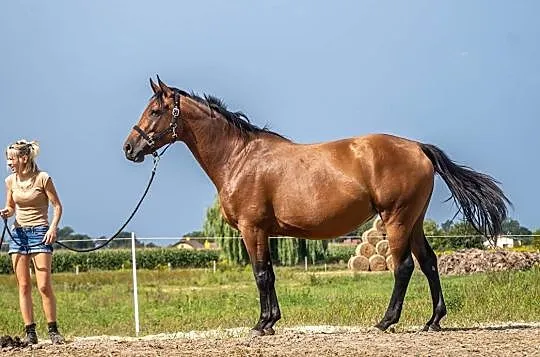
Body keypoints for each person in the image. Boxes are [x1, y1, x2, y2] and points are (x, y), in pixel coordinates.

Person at [0, 140, 65, 345]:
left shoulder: (43, 178)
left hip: (40, 233)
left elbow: (57, 206)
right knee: (24, 286)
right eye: (8, 159)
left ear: (24, 158)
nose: (9, 163)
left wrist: (53, 228)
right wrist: (6, 213)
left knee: (44, 285)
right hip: (18, 235)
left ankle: (53, 330)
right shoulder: (10, 181)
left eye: (12, 158)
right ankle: (30, 332)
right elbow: (10, 207)